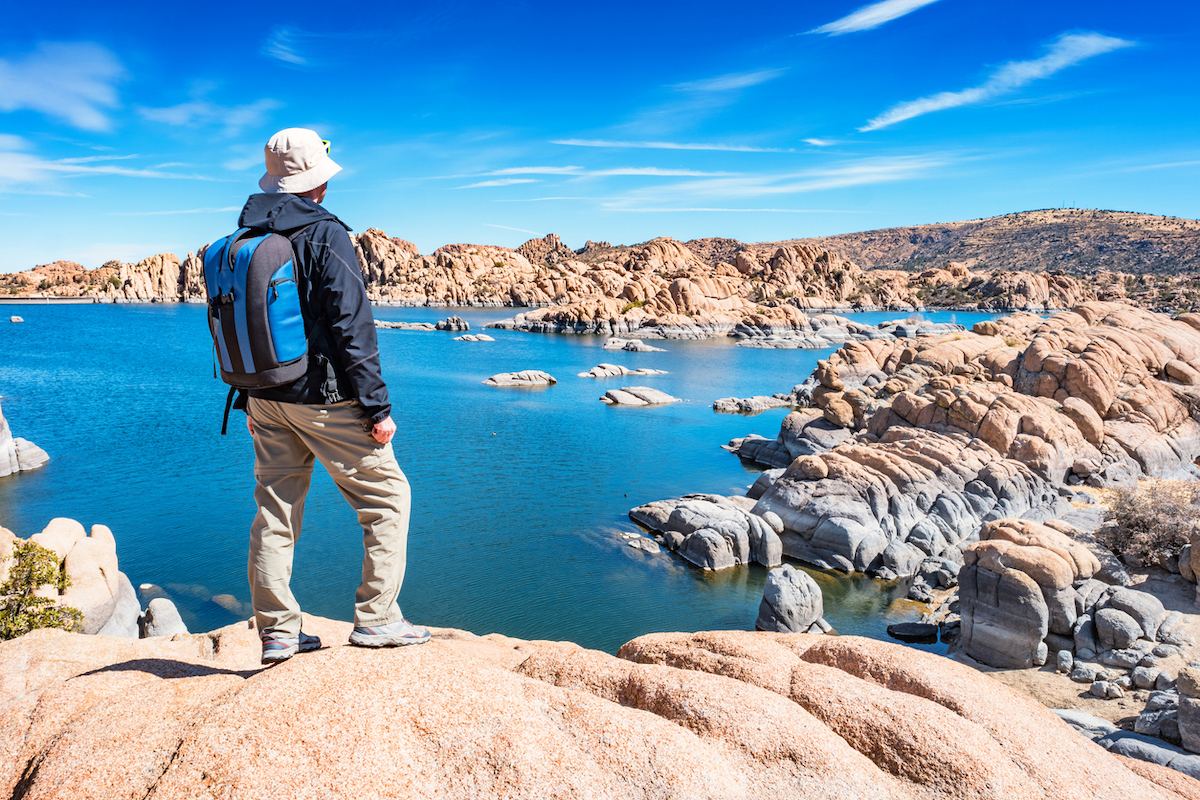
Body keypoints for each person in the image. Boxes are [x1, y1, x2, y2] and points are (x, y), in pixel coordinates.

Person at [235, 127, 429, 664]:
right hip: (326, 399)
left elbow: (236, 325)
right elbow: (353, 327)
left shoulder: (246, 233)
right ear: (317, 180)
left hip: (267, 397)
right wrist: (377, 408)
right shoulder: (325, 234)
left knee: (275, 512)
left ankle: (277, 631)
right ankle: (378, 619)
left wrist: (247, 400)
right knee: (388, 500)